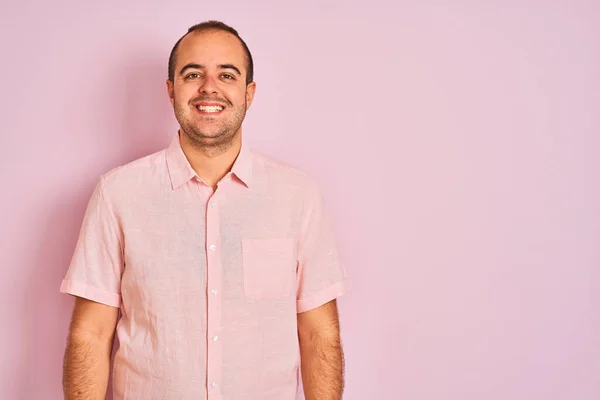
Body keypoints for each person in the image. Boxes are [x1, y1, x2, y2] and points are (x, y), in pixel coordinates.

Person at [59, 20, 351, 400]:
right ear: (171, 90)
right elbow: (91, 334)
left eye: (226, 75)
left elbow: (319, 335)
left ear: (249, 93)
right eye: (193, 73)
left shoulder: (297, 195)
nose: (208, 87)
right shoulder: (118, 194)